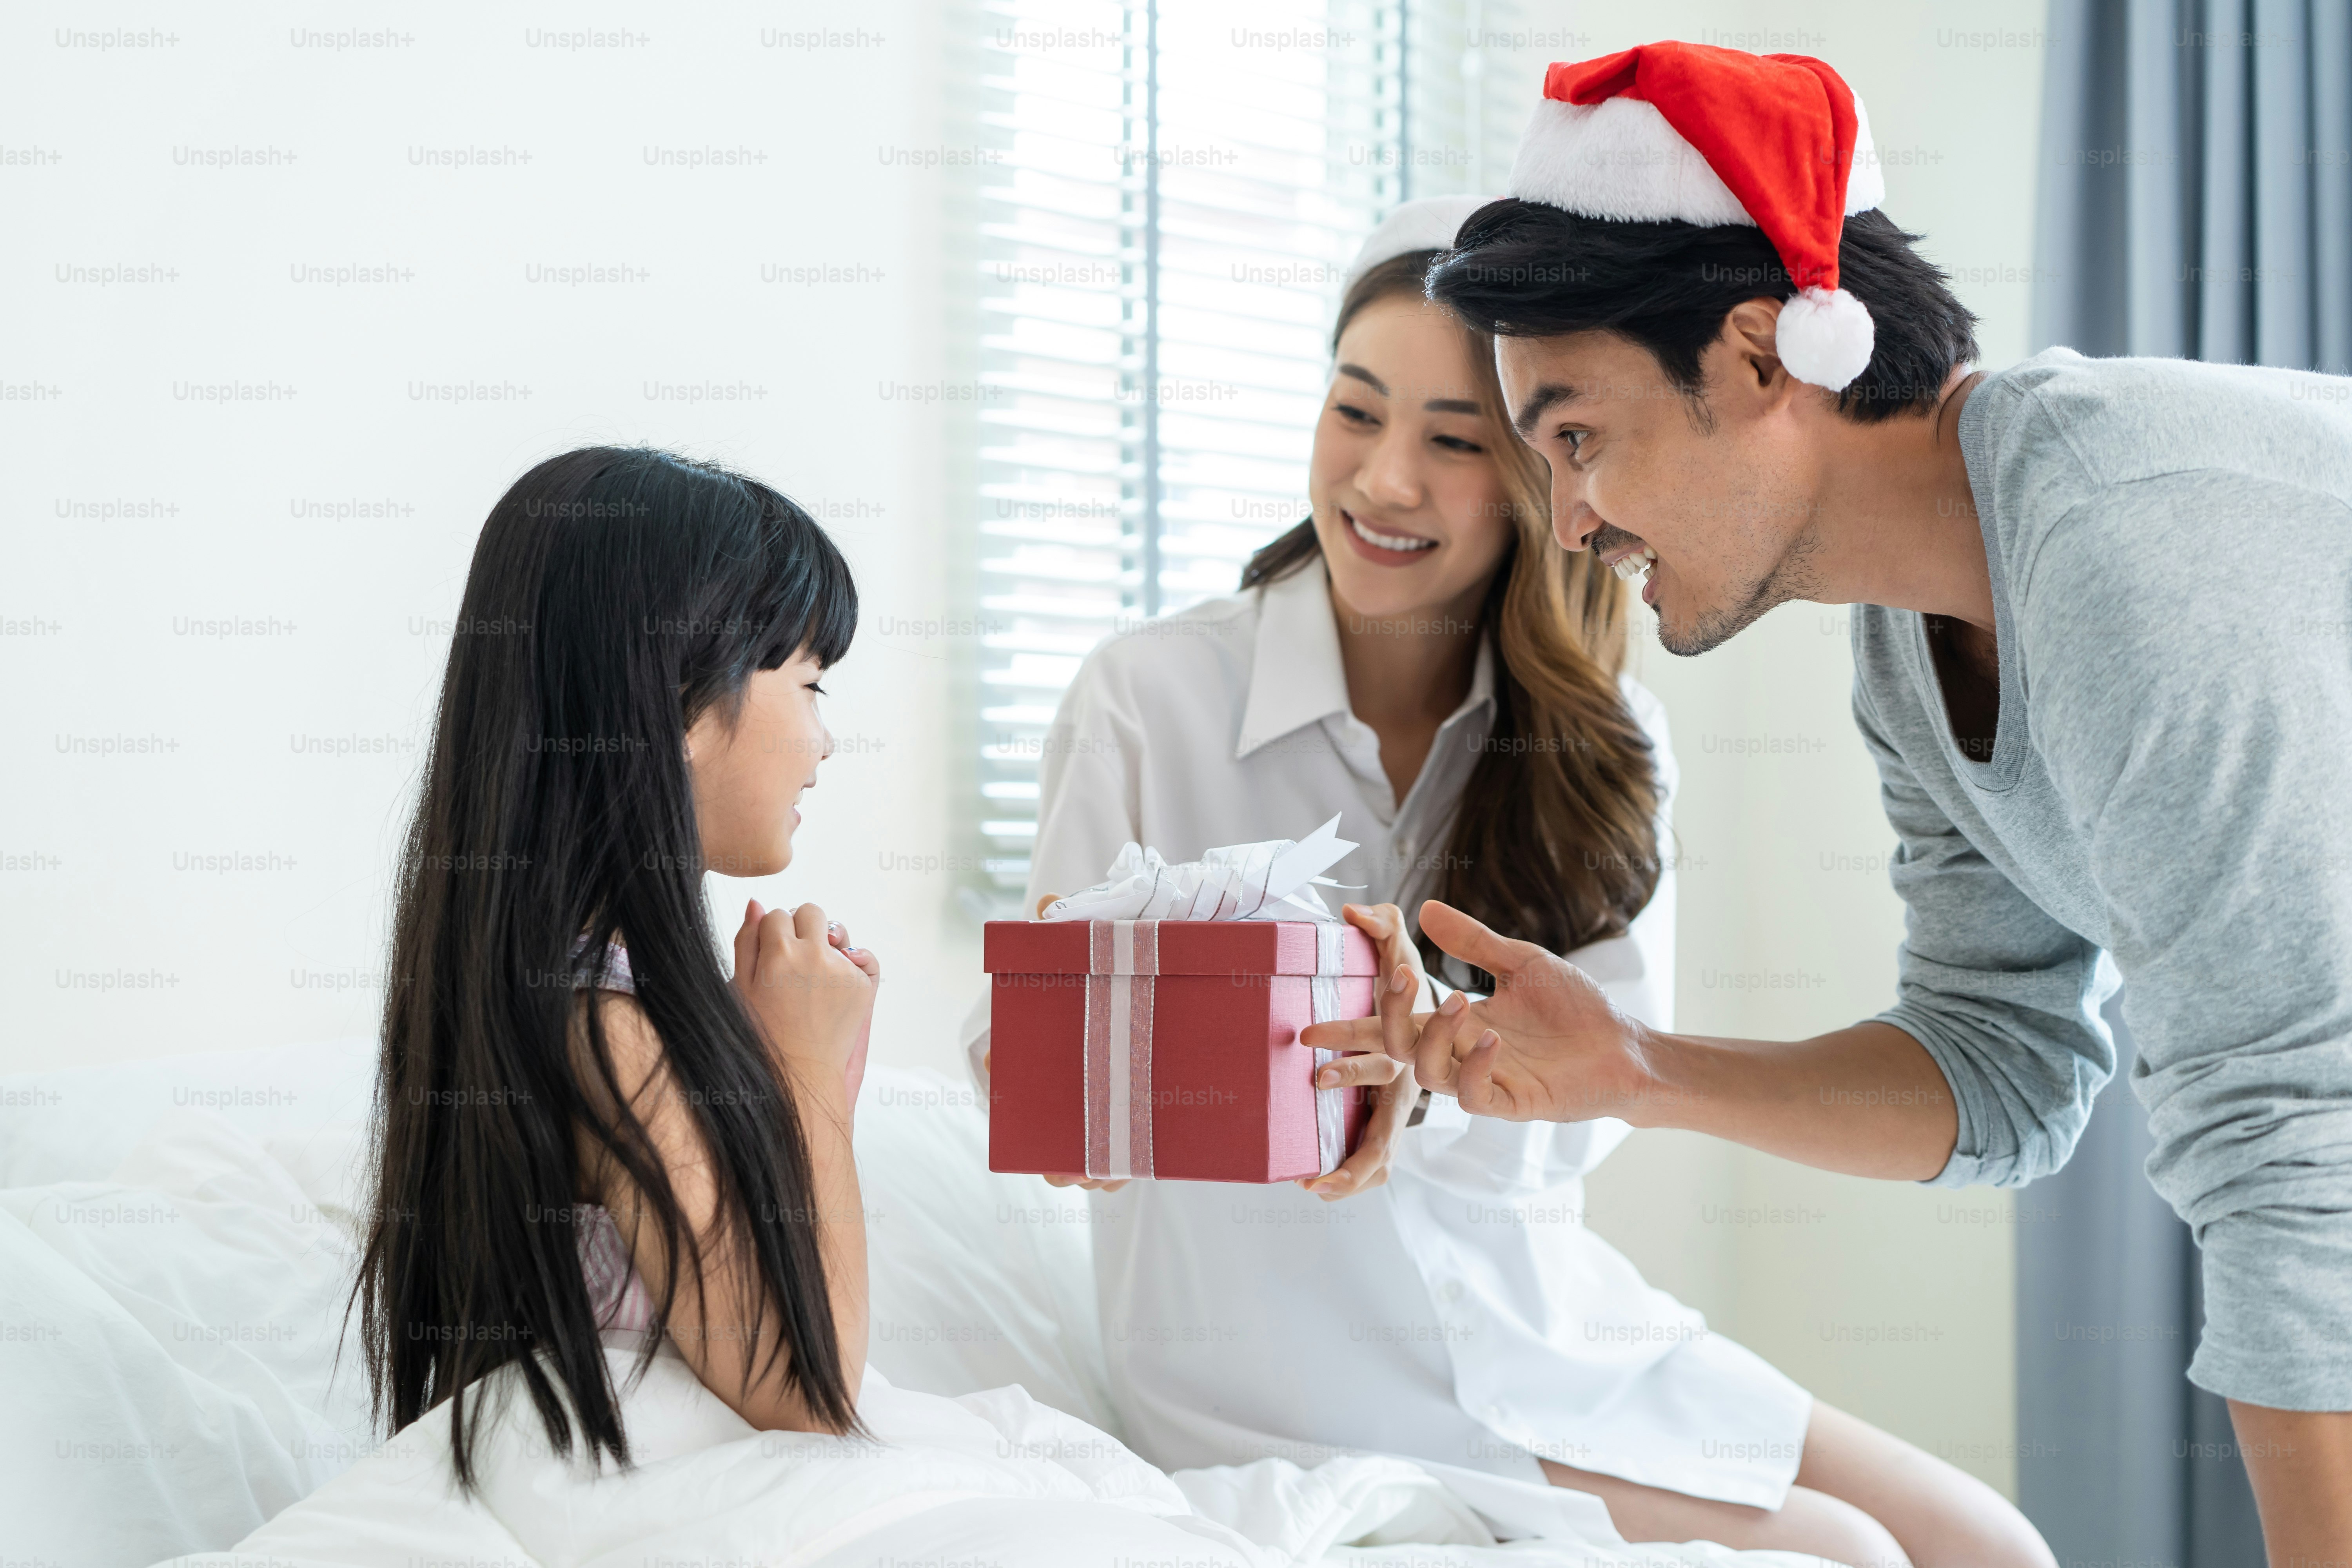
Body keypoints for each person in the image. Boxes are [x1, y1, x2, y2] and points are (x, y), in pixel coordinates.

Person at [1305, 42, 2352, 1567]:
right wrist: (1638, 1068)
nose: (1573, 519)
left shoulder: (2119, 557)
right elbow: (2001, 1072)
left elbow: (2292, 1151)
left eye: (1579, 437)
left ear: (1757, 354)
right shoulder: (1912, 637)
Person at [973, 199, 2051, 1566]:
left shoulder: (1606, 738)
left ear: (1553, 474)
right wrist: (1102, 1054)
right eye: (1354, 413)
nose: (1384, 482)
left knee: (1995, 1546)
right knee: (1850, 1554)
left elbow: (1598, 1108)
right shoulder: (1151, 699)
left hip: (1546, 1311)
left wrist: (1441, 1064)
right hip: (1291, 1367)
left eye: (1454, 441)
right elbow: (1016, 1051)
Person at [358, 446, 880, 1479]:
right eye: (813, 684)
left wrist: (779, 1072)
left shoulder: (563, 990)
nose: (829, 742)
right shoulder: (605, 1027)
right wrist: (812, 1080)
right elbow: (811, 1390)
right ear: (680, 697)